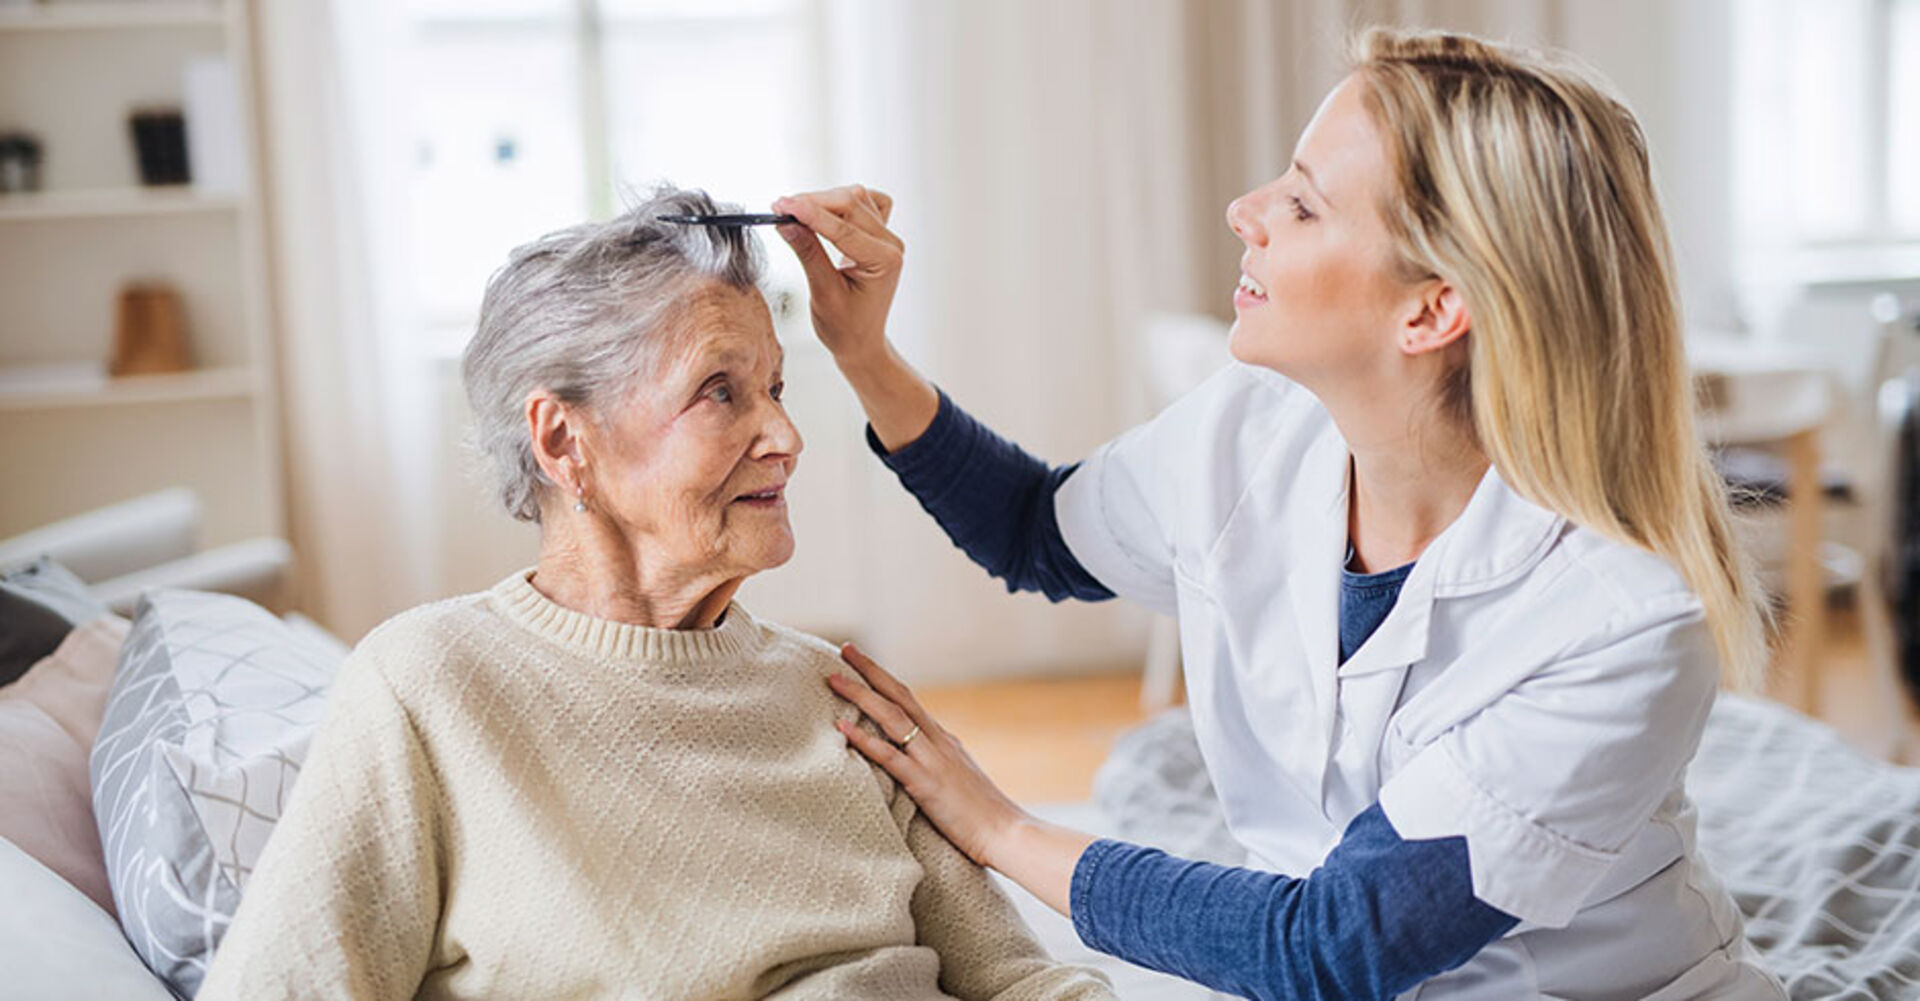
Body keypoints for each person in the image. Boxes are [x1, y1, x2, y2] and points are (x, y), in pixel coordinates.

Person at [774, 28, 1788, 1001]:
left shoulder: (1623, 622)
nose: (1244, 210)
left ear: (1431, 309)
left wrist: (998, 826)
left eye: (1303, 204)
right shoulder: (1252, 427)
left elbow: (1331, 945)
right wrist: (863, 351)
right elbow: (1037, 531)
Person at [197, 187, 1114, 1001]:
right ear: (564, 442)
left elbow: (1024, 980)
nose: (786, 436)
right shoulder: (430, 685)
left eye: (776, 387)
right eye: (721, 392)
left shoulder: (837, 693)